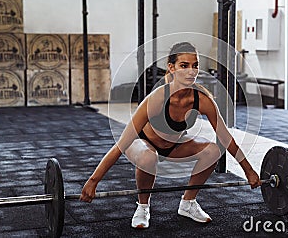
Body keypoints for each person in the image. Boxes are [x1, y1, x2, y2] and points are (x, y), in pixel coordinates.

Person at [80, 41, 261, 229]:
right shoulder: (158, 98)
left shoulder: (202, 99)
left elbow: (225, 138)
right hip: (143, 143)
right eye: (184, 65)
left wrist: (248, 170)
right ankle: (143, 206)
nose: (191, 71)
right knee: (148, 156)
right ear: (171, 68)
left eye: (195, 65)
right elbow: (121, 144)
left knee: (212, 150)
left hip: (174, 145)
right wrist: (93, 181)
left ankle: (188, 203)